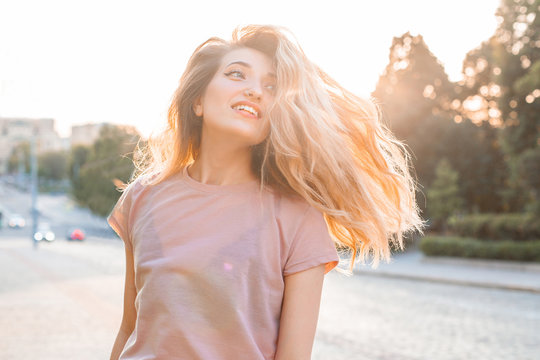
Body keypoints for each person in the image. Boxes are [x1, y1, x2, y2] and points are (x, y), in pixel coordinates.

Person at [107, 24, 425, 360]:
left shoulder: (297, 217)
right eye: (236, 74)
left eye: (271, 86)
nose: (255, 91)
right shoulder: (142, 196)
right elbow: (130, 327)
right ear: (197, 101)